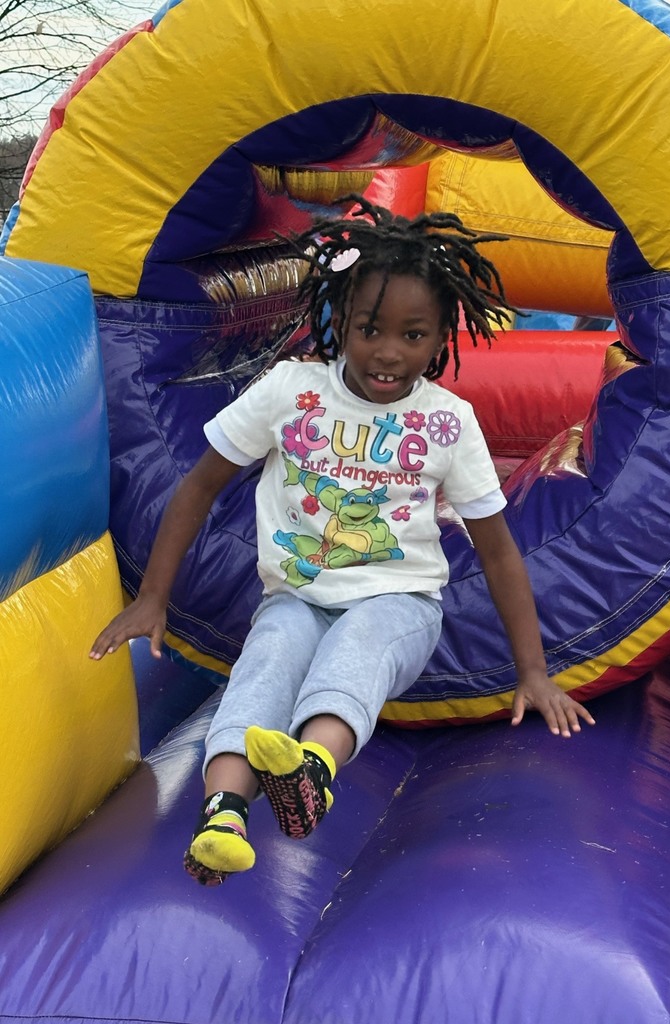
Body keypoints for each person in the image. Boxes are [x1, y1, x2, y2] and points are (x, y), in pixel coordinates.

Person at [90, 195, 595, 886]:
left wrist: (533, 671)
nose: (388, 352)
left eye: (412, 335)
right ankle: (222, 821)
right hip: (297, 595)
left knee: (356, 650)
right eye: (369, 329)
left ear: (441, 336)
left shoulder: (446, 421)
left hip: (399, 601)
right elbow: (200, 486)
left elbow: (499, 549)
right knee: (264, 666)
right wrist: (153, 596)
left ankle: (312, 772)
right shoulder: (290, 391)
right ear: (341, 320)